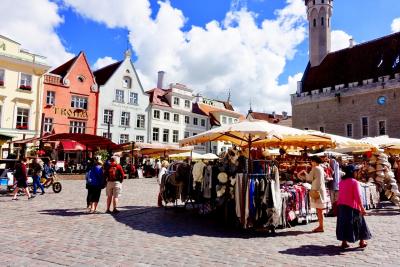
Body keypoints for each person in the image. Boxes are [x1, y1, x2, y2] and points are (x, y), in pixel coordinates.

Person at [336, 165, 371, 249]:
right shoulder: (354, 182)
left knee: (343, 224)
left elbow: (340, 194)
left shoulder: (341, 182)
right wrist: (362, 209)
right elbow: (357, 196)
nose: (357, 173)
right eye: (356, 171)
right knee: (360, 223)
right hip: (352, 206)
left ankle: (344, 242)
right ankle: (362, 242)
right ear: (353, 172)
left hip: (341, 206)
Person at [299, 156, 327, 232]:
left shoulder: (315, 168)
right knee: (320, 209)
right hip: (321, 190)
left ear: (314, 161)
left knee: (319, 210)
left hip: (316, 190)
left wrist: (303, 173)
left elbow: (309, 178)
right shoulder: (321, 168)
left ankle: (321, 226)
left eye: (311, 161)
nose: (311, 163)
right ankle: (321, 226)